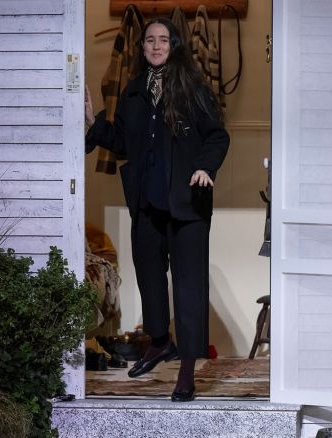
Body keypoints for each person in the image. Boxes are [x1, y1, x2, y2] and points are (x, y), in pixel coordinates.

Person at [85, 17, 229, 402]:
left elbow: (217, 134)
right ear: (143, 47)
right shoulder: (134, 92)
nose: (155, 45)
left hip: (186, 203)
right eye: (149, 40)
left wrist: (204, 166)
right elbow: (123, 142)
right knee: (149, 274)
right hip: (147, 203)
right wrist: (92, 123)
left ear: (174, 44)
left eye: (163, 39)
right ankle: (161, 341)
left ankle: (186, 371)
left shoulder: (191, 87)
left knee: (187, 285)